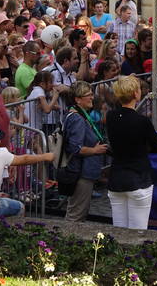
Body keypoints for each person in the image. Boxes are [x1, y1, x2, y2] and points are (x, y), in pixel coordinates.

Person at [105, 75, 157, 230]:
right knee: (138, 232)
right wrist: (143, 149)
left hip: (117, 179)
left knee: (119, 231)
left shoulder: (111, 117)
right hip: (139, 178)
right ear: (136, 94)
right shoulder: (142, 121)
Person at [62, 81, 108, 222]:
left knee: (78, 212)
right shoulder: (77, 118)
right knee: (76, 215)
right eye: (88, 95)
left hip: (82, 170)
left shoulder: (77, 115)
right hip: (81, 172)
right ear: (78, 99)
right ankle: (67, 236)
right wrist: (95, 150)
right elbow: (76, 147)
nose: (92, 97)